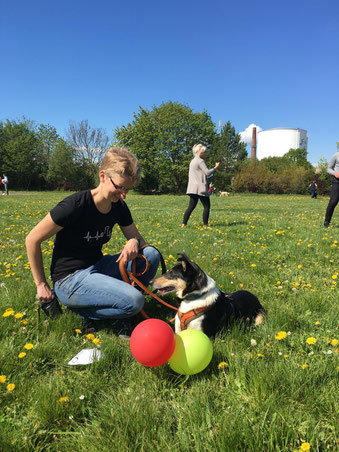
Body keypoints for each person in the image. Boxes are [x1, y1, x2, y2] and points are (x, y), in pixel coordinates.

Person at [25, 147, 160, 334]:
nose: (123, 194)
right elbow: (32, 239)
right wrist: (41, 285)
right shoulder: (74, 205)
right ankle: (93, 312)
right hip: (70, 279)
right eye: (119, 187)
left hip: (98, 267)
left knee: (151, 254)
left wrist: (134, 242)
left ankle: (122, 305)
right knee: (135, 301)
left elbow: (140, 242)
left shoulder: (118, 206)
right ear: (103, 176)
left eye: (127, 189)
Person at [182, 144, 220, 228]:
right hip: (200, 188)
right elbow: (207, 172)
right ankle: (205, 225)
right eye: (204, 152)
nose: (205, 153)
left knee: (191, 207)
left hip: (192, 188)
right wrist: (215, 168)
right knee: (207, 206)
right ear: (200, 152)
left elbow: (200, 174)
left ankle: (183, 224)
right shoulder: (200, 161)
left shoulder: (192, 161)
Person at [324, 150, 339, 228]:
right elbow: (329, 169)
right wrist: (335, 173)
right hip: (337, 182)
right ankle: (326, 223)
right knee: (333, 202)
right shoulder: (336, 155)